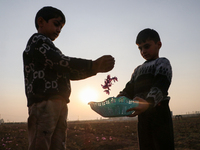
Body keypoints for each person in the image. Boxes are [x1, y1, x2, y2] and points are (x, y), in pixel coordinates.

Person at [23, 6, 115, 150]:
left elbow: (68, 72)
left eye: (61, 26)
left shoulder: (50, 47)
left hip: (58, 103)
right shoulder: (38, 41)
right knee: (40, 143)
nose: (59, 29)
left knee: (58, 144)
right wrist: (92, 65)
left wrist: (94, 69)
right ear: (41, 22)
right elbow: (60, 61)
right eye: (56, 23)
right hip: (44, 102)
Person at [117, 28, 174, 150]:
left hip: (159, 112)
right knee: (146, 145)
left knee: (163, 144)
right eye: (140, 48)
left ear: (158, 45)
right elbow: (130, 87)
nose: (143, 51)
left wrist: (148, 102)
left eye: (146, 46)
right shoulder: (138, 70)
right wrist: (121, 98)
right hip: (142, 115)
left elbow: (161, 85)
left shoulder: (162, 63)